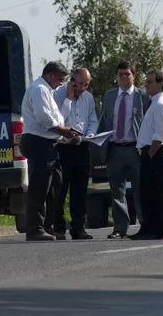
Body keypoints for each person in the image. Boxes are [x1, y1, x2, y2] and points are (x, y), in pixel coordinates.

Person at [20, 61, 77, 241]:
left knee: (53, 185)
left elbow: (56, 117)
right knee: (39, 186)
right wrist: (64, 132)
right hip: (38, 142)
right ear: (50, 75)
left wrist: (64, 132)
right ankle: (34, 228)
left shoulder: (47, 90)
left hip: (49, 143)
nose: (60, 83)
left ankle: (46, 225)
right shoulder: (39, 89)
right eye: (59, 79)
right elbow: (44, 119)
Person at [98, 61, 148, 240]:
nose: (124, 77)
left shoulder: (142, 95)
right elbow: (104, 121)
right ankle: (120, 228)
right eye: (121, 74)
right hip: (115, 149)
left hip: (135, 149)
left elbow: (148, 122)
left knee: (140, 189)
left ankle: (146, 225)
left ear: (134, 75)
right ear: (117, 76)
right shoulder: (110, 96)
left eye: (127, 74)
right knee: (117, 191)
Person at [51, 67, 97, 240]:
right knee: (61, 189)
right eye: (79, 84)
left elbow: (92, 120)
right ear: (71, 81)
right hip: (63, 147)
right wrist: (69, 98)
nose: (83, 88)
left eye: (86, 84)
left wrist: (89, 136)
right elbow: (58, 121)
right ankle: (59, 227)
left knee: (80, 190)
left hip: (82, 146)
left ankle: (78, 227)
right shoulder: (57, 95)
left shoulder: (88, 98)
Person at [129, 71, 163, 240]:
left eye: (149, 81)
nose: (145, 84)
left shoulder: (161, 104)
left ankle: (156, 231)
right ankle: (146, 228)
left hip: (156, 152)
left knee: (155, 193)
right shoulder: (153, 103)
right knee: (146, 193)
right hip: (150, 151)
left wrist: (149, 155)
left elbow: (160, 135)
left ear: (160, 83)